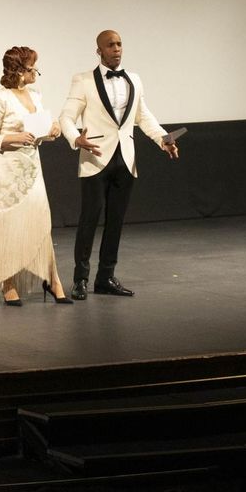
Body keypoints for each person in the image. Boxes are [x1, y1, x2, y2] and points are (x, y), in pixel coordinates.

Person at [58, 29, 178, 300]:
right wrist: (76, 139)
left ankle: (106, 277)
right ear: (98, 50)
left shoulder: (133, 79)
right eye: (110, 45)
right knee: (89, 219)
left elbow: (143, 116)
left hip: (125, 157)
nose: (116, 49)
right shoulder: (83, 80)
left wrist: (163, 139)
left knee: (116, 221)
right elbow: (66, 117)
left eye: (119, 44)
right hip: (95, 156)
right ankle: (80, 279)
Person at [0, 46, 69, 305]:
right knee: (8, 226)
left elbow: (38, 131)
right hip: (5, 171)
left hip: (31, 169)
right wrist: (12, 137)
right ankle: (8, 282)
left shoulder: (35, 96)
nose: (36, 73)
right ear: (19, 70)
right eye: (33, 68)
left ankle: (52, 280)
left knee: (40, 221)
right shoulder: (0, 99)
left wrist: (53, 130)